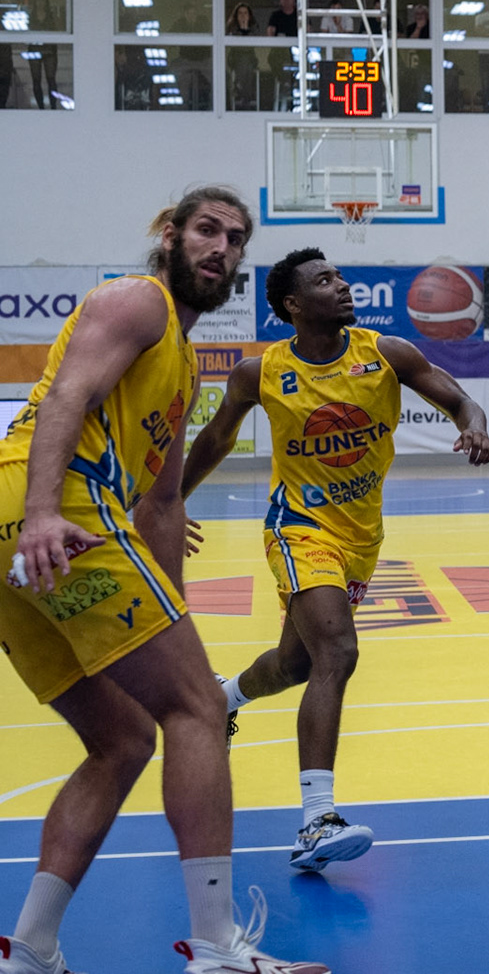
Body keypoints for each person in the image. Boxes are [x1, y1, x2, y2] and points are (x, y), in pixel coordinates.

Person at [0, 188, 328, 974]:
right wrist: (42, 513)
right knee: (199, 709)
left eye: (236, 239)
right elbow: (67, 396)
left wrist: (173, 613)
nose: (222, 247)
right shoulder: (137, 301)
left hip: (26, 536)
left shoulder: (181, 368)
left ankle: (32, 947)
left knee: (122, 741)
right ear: (170, 235)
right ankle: (216, 945)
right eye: (207, 230)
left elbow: (165, 502)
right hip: (55, 507)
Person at [181, 249, 489, 874]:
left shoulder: (387, 353)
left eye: (342, 276)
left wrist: (476, 426)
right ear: (294, 305)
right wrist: (167, 503)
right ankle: (317, 819)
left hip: (361, 537)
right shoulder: (260, 373)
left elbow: (460, 400)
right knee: (339, 652)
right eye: (325, 280)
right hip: (298, 527)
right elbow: (216, 438)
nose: (343, 286)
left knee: (296, 664)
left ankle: (222, 699)